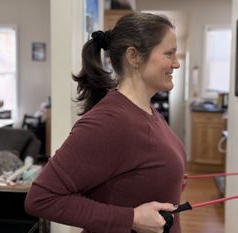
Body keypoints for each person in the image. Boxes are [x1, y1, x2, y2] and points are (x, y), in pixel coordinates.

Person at [25, 12, 185, 233]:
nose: (176, 64)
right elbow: (42, 198)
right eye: (169, 54)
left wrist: (167, 176)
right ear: (134, 56)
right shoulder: (110, 121)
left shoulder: (146, 109)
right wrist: (132, 218)